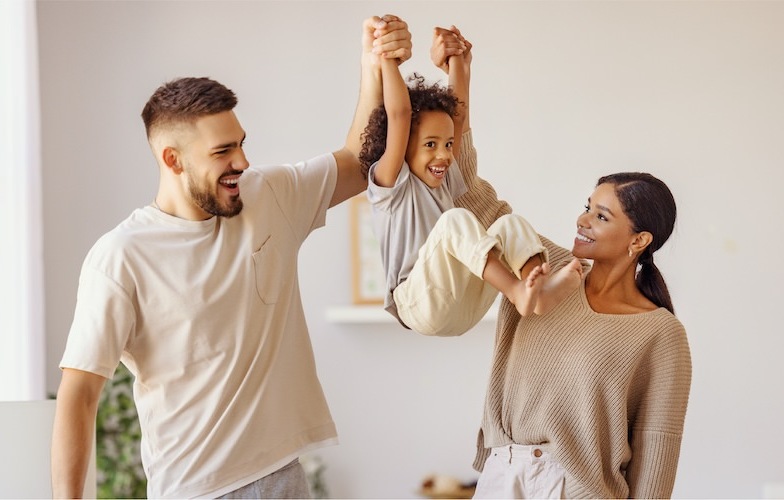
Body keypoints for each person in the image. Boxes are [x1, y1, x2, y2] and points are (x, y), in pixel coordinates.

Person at [50, 15, 411, 499]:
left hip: (285, 479)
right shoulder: (121, 258)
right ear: (173, 160)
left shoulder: (269, 196)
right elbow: (79, 395)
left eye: (242, 144)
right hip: (194, 490)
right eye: (223, 151)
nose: (241, 161)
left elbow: (359, 160)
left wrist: (373, 66)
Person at [429, 27, 692, 498]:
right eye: (586, 206)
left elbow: (656, 450)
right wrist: (458, 76)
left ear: (639, 240)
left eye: (601, 214)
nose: (582, 219)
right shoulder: (539, 267)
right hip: (501, 476)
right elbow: (467, 188)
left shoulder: (659, 333)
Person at [359, 26, 583, 337]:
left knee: (509, 224)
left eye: (448, 145)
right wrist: (388, 59)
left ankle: (537, 291)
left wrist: (459, 64)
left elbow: (459, 117)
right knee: (456, 220)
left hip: (460, 307)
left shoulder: (445, 180)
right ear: (401, 147)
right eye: (430, 145)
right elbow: (399, 114)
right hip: (417, 303)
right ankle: (518, 292)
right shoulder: (391, 187)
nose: (444, 155)